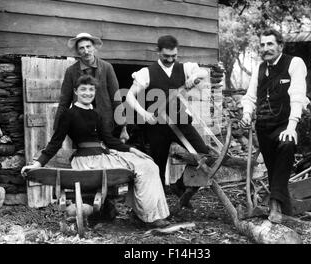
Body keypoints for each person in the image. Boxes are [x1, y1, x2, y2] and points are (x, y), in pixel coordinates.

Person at [22, 75, 170, 228]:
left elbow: (109, 140)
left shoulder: (96, 114)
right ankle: (150, 218)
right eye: (83, 89)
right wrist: (37, 164)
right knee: (146, 167)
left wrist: (133, 150)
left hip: (102, 156)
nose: (88, 93)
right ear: (75, 91)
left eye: (91, 89)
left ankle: (142, 213)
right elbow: (55, 142)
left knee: (148, 164)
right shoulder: (68, 114)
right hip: (87, 161)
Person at [125, 35, 209, 201]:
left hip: (181, 122)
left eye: (174, 56)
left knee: (203, 154)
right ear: (158, 52)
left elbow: (203, 72)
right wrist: (144, 113)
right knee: (158, 166)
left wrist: (194, 78)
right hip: (158, 127)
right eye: (166, 56)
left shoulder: (184, 68)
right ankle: (158, 207)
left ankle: (180, 186)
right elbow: (129, 96)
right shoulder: (147, 73)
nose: (170, 59)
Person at [240, 28, 309, 223]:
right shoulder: (259, 68)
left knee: (286, 147)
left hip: (286, 125)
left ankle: (274, 206)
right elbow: (250, 97)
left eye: (270, 44)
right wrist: (246, 114)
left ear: (280, 45)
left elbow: (298, 96)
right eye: (262, 45)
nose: (265, 48)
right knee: (275, 172)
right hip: (264, 126)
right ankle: (286, 215)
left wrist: (292, 126)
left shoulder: (294, 64)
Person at [54, 32, 128, 142]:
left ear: (94, 47)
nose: (86, 51)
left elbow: (116, 99)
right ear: (78, 51)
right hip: (80, 124)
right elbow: (64, 102)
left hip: (105, 123)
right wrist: (57, 128)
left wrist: (123, 127)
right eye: (82, 48)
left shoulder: (107, 67)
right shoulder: (71, 71)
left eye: (88, 46)